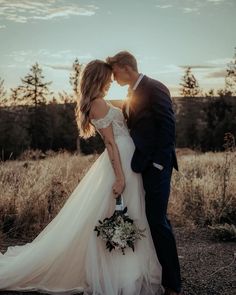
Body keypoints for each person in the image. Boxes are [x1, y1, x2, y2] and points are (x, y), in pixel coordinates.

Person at [0, 60, 163, 295]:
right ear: (97, 79)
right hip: (120, 164)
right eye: (107, 79)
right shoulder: (96, 104)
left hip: (127, 161)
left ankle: (127, 270)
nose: (109, 83)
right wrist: (119, 177)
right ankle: (117, 271)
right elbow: (110, 142)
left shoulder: (98, 102)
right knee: (117, 214)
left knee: (129, 213)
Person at [106, 51, 182, 295]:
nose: (113, 77)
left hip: (157, 167)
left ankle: (173, 284)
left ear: (127, 67)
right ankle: (154, 274)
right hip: (141, 165)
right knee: (151, 219)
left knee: (158, 221)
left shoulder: (154, 87)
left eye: (115, 72)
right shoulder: (131, 93)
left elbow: (168, 127)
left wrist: (160, 164)